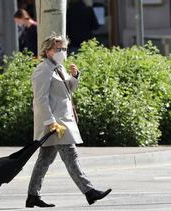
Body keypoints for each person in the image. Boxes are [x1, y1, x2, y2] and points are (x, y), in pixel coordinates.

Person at [26, 34, 111, 208]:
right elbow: (40, 99)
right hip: (56, 124)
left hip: (62, 121)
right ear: (47, 51)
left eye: (64, 49)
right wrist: (50, 121)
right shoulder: (43, 70)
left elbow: (68, 90)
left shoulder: (59, 68)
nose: (62, 52)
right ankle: (89, 192)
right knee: (71, 156)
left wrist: (75, 76)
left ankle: (32, 196)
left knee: (44, 161)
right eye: (58, 49)